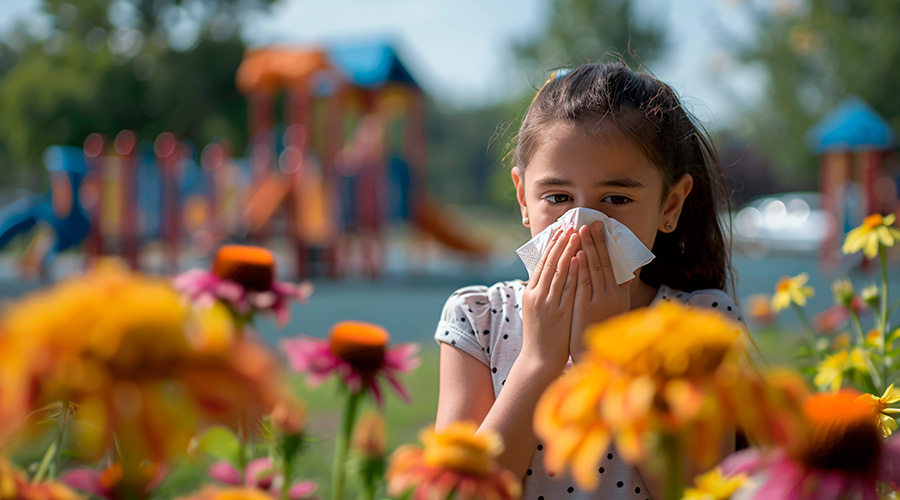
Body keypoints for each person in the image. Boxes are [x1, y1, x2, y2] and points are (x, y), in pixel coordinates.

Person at [433, 62, 744, 499]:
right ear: (524, 198)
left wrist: (608, 359)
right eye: (557, 197)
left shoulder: (700, 323)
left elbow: (704, 490)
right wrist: (538, 360)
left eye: (616, 198)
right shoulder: (478, 319)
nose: (582, 224)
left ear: (670, 205)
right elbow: (459, 492)